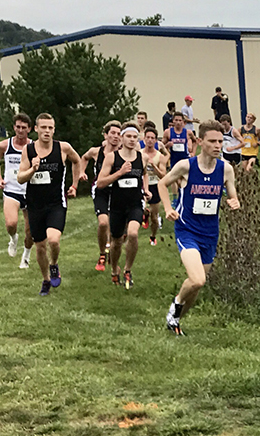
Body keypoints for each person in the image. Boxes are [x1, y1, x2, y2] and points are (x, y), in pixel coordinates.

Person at [158, 119, 241, 336]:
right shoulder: (186, 166)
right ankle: (175, 305)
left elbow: (233, 195)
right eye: (212, 141)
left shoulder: (226, 170)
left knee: (197, 286)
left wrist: (234, 202)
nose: (217, 146)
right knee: (197, 279)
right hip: (187, 230)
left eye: (220, 141)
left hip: (210, 233)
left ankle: (175, 321)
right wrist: (168, 208)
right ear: (200, 141)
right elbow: (162, 184)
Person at [16, 113, 83, 296]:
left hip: (56, 203)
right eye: (43, 127)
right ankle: (46, 279)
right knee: (40, 246)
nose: (47, 131)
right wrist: (32, 169)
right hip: (35, 205)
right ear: (36, 129)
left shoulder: (63, 148)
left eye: (50, 128)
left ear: (54, 130)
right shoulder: (28, 150)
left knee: (53, 240)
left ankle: (54, 265)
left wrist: (74, 184)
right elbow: (20, 178)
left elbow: (77, 161)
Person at [96, 122, 150, 289]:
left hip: (135, 203)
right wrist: (119, 173)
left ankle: (128, 269)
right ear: (122, 138)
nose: (132, 140)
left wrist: (146, 190)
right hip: (117, 205)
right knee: (117, 241)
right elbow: (100, 183)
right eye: (129, 136)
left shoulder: (143, 157)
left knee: (133, 234)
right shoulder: (112, 157)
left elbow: (145, 173)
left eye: (135, 137)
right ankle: (114, 270)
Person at [0, 113, 34, 268]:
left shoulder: (33, 147)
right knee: (11, 223)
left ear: (29, 129)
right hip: (11, 189)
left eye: (24, 127)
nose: (20, 130)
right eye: (18, 127)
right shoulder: (4, 145)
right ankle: (13, 238)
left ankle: (26, 256)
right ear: (14, 128)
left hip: (30, 191)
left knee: (31, 232)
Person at [80, 120, 122, 271]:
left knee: (118, 228)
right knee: (103, 223)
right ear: (106, 135)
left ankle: (112, 250)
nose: (116, 137)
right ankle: (102, 253)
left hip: (119, 191)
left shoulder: (124, 153)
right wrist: (81, 172)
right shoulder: (96, 151)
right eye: (113, 133)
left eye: (118, 134)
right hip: (101, 190)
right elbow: (83, 158)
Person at [141, 126, 169, 246]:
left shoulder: (160, 156)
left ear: (156, 141)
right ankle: (144, 213)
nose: (150, 140)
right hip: (141, 185)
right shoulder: (139, 154)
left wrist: (154, 166)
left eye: (153, 138)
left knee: (154, 217)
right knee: (139, 208)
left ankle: (152, 236)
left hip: (155, 186)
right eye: (148, 138)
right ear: (144, 139)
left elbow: (163, 175)